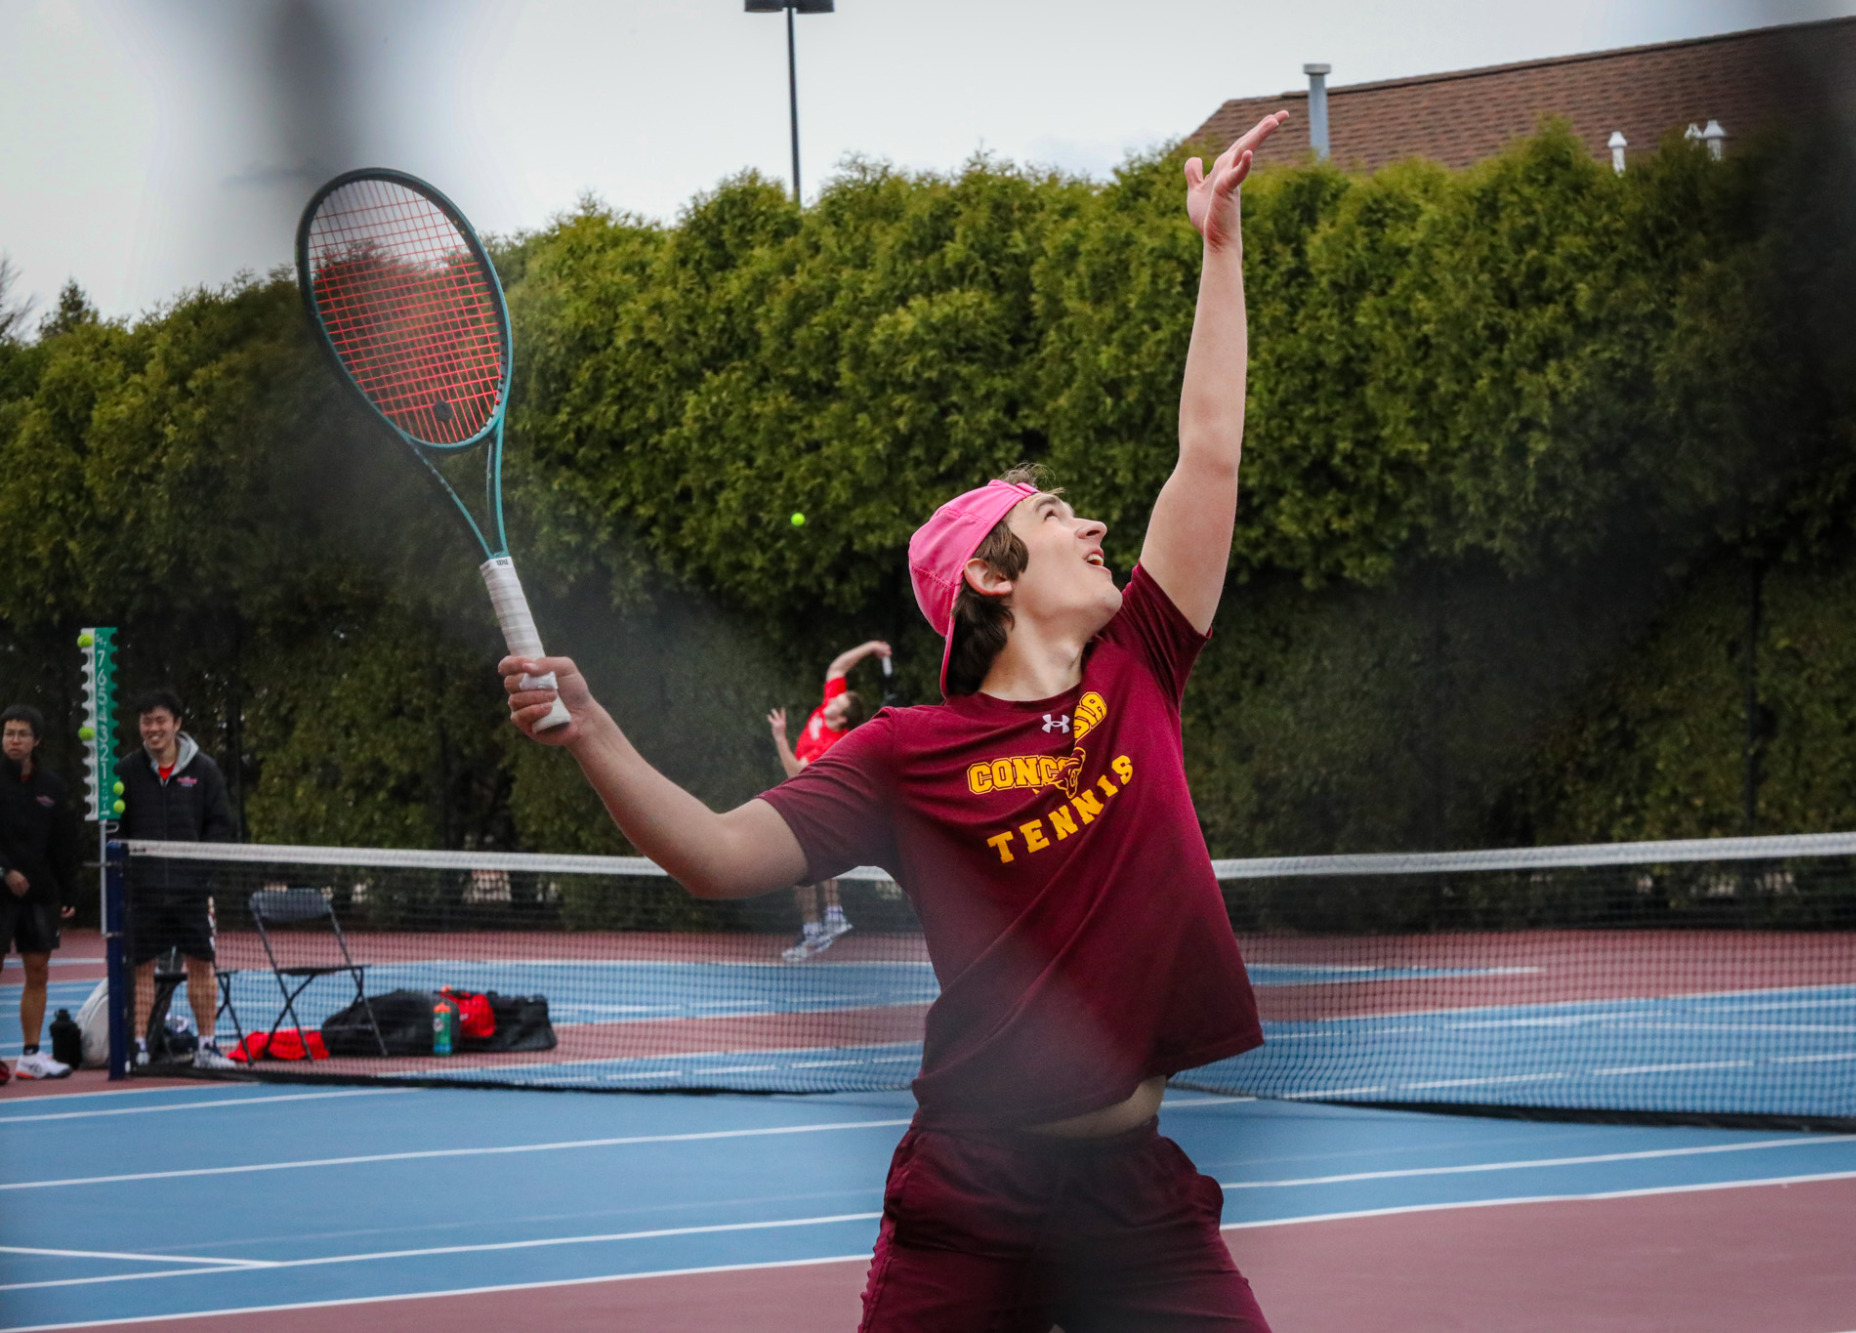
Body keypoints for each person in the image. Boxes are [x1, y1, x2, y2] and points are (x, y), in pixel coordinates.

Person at [500, 111, 1287, 1331]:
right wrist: (593, 730)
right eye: (1058, 514)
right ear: (987, 575)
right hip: (971, 1192)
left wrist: (1219, 250)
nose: (1093, 528)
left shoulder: (1139, 662)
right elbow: (715, 856)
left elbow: (1210, 454)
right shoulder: (901, 756)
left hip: (1133, 1193)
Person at [116, 689, 234, 1070]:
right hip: (143, 892)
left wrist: (199, 872)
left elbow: (220, 825)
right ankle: (137, 1048)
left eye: (160, 721)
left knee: (201, 965)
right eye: (146, 721)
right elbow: (113, 829)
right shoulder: (125, 771)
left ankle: (207, 1046)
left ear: (177, 724)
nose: (153, 729)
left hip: (191, 893)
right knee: (141, 968)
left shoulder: (204, 770)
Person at [766, 639, 893, 961]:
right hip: (803, 799)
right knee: (802, 872)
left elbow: (796, 772)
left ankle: (828, 919)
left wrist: (780, 737)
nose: (835, 697)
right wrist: (872, 648)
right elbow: (837, 667)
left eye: (841, 700)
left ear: (842, 718)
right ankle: (821, 924)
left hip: (812, 796)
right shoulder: (827, 706)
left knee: (806, 862)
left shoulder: (832, 745)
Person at [1, 705, 79, 1080]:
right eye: (8, 733)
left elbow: (63, 842)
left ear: (36, 741)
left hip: (40, 894)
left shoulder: (52, 786)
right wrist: (5, 871)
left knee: (38, 971)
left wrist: (69, 890)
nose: (13, 740)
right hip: (0, 892)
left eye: (21, 734)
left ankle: (31, 1057)